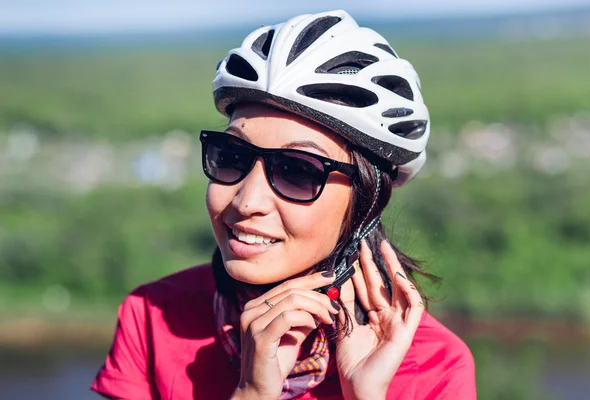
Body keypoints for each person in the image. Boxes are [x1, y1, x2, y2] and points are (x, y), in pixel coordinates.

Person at [91, 10, 476, 400]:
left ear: (368, 200)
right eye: (232, 156)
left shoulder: (435, 367)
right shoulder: (155, 317)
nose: (246, 200)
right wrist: (251, 393)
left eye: (297, 171)